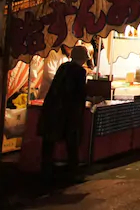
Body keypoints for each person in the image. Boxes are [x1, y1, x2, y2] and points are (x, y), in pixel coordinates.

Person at [39, 45, 89, 185]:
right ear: (83, 59)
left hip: (52, 107)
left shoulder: (63, 67)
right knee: (71, 142)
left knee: (49, 141)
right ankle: (73, 174)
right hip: (67, 111)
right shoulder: (80, 71)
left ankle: (45, 171)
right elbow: (79, 93)